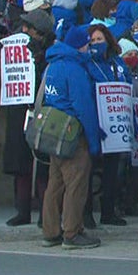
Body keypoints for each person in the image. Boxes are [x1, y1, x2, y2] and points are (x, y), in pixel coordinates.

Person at [40, 25, 103, 249]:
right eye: (87, 44)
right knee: (76, 184)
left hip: (53, 131)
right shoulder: (75, 69)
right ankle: (72, 232)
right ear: (80, 46)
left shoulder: (53, 65)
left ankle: (50, 231)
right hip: (73, 133)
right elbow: (83, 107)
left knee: (55, 184)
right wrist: (94, 139)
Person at [2, 8, 55, 226]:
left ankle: (46, 213)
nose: (23, 30)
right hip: (18, 111)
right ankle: (22, 210)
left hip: (41, 111)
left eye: (28, 28)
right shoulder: (14, 50)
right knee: (20, 165)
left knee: (42, 165)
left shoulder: (48, 54)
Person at [85, 24, 132, 226]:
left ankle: (108, 211)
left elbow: (128, 86)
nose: (97, 44)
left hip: (116, 123)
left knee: (113, 171)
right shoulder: (86, 64)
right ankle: (85, 213)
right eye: (93, 41)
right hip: (95, 121)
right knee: (87, 170)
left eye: (99, 40)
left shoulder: (117, 63)